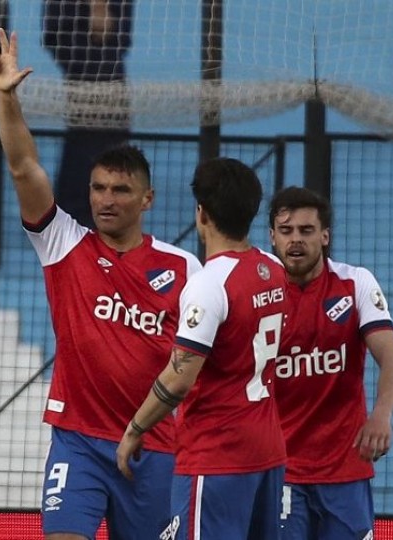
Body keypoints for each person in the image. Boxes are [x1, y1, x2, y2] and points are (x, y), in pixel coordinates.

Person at [0, 29, 201, 540]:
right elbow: (23, 168)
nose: (106, 200)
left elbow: (195, 364)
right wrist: (6, 98)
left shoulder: (184, 269)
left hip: (154, 446)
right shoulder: (64, 242)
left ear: (146, 199)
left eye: (120, 191)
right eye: (98, 188)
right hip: (77, 441)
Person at [116, 157, 289, 540]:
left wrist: (135, 427)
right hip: (268, 453)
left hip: (217, 454)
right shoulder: (273, 269)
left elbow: (179, 378)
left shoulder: (209, 283)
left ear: (202, 214)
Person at [268, 186, 393, 540]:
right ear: (272, 236)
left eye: (306, 230)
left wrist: (381, 415)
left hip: (346, 468)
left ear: (325, 236)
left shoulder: (354, 282)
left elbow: (391, 360)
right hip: (281, 469)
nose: (295, 240)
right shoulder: (258, 290)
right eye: (286, 231)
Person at [43, 0, 134, 228]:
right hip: (82, 100)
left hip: (109, 102)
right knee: (74, 199)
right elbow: (55, 40)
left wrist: (100, 9)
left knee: (108, 195)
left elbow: (117, 40)